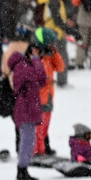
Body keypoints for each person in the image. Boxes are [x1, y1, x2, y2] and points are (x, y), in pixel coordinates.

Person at [8, 39, 47, 180]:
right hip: (24, 109)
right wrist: (36, 60)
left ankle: (23, 169)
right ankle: (22, 170)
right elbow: (39, 77)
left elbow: (42, 80)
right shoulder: (22, 66)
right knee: (26, 141)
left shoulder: (26, 65)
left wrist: (36, 61)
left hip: (28, 109)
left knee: (29, 141)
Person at [31, 28, 66, 156]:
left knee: (44, 128)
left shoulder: (49, 57)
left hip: (49, 98)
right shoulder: (35, 58)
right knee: (38, 129)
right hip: (38, 99)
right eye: (51, 43)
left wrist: (55, 53)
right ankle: (37, 151)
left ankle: (43, 150)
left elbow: (61, 67)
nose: (54, 45)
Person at [36, 0, 72, 87]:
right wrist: (67, 28)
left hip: (54, 32)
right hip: (53, 33)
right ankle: (55, 81)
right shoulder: (52, 0)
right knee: (57, 57)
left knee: (52, 57)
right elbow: (56, 19)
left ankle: (51, 80)